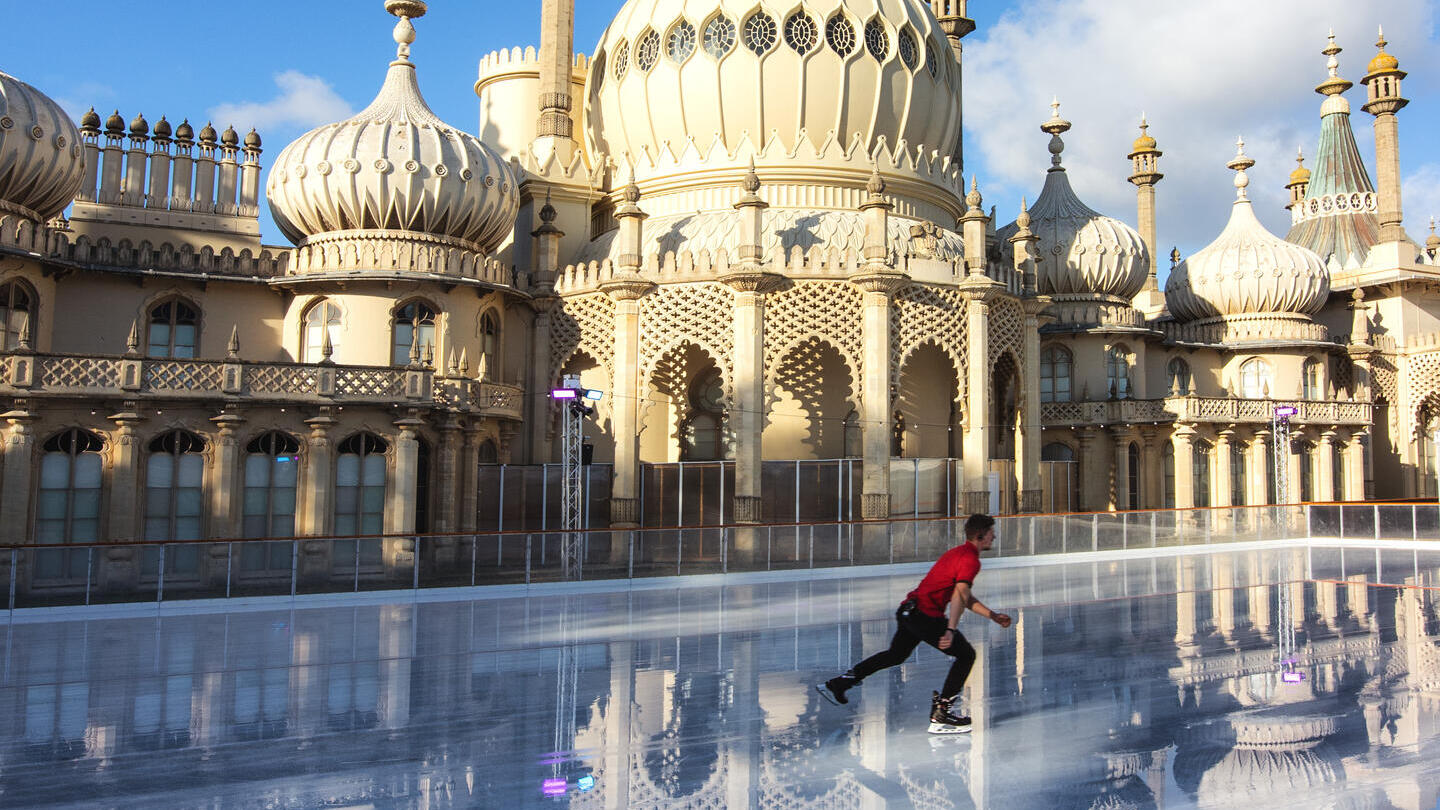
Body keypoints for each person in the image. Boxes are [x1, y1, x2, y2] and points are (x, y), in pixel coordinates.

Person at [816, 513, 1011, 734]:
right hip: (924, 616)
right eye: (991, 533)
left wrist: (992, 615)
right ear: (980, 535)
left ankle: (839, 683)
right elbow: (961, 595)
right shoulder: (969, 559)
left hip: (909, 611)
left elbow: (964, 595)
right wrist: (950, 630)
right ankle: (942, 713)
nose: (994, 537)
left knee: (896, 655)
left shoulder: (959, 553)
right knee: (966, 655)